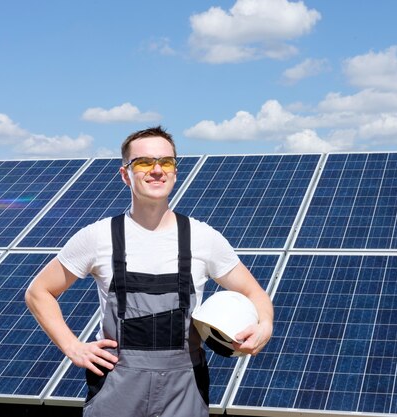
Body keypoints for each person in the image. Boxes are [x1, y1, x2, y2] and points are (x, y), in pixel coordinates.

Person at [25, 125, 274, 417]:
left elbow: (253, 293)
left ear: (175, 172)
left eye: (166, 162)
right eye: (144, 162)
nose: (157, 170)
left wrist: (265, 327)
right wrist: (72, 347)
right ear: (125, 174)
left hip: (184, 392)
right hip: (116, 391)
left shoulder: (204, 238)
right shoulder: (97, 237)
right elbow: (38, 292)